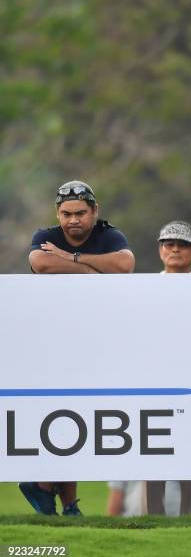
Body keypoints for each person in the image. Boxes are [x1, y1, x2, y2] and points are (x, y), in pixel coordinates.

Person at [19, 180, 135, 516]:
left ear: (94, 211)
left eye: (80, 213)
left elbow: (125, 265)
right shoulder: (45, 235)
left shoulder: (109, 235)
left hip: (96, 338)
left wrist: (72, 257)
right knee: (62, 418)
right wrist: (95, 269)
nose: (73, 220)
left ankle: (52, 494)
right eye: (67, 213)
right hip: (51, 338)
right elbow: (40, 263)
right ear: (58, 213)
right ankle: (57, 496)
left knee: (81, 418)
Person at [145, 220, 191, 516]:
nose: (175, 249)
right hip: (155, 380)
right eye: (169, 244)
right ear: (160, 250)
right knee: (153, 453)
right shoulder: (144, 288)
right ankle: (152, 517)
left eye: (183, 245)